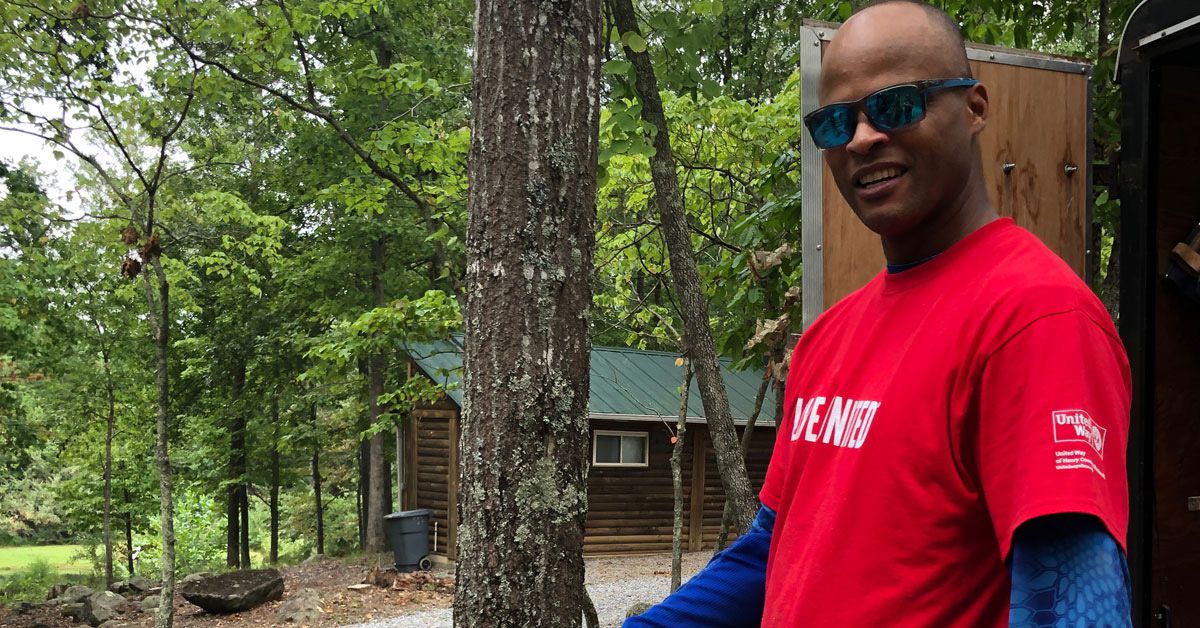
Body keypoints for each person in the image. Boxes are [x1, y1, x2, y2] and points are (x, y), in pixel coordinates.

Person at [625, 1, 1133, 626]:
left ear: (974, 108)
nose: (863, 138)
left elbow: (1070, 595)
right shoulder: (827, 340)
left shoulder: (1035, 319)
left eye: (897, 105)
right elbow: (771, 552)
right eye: (837, 123)